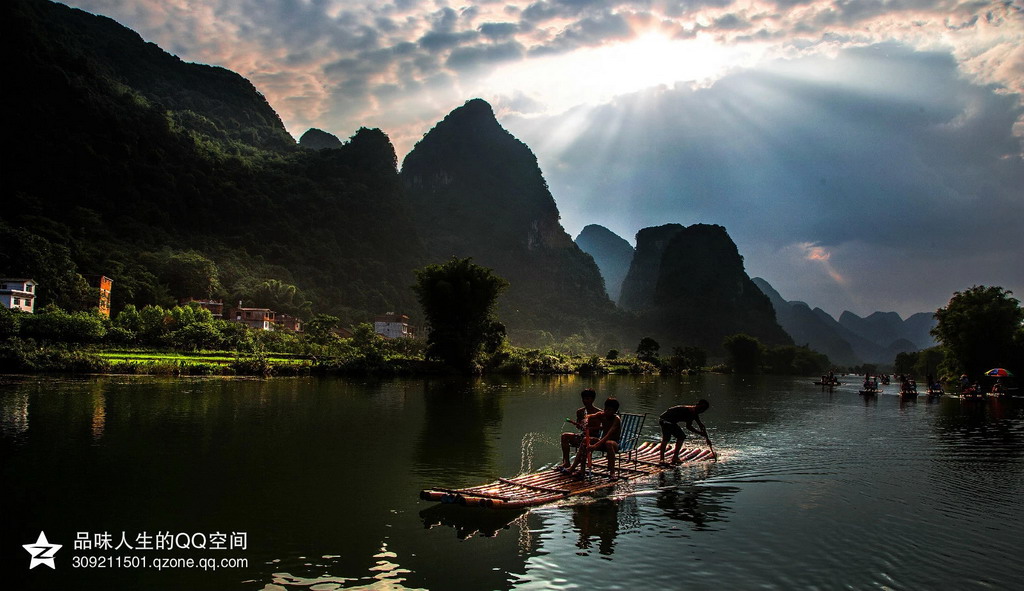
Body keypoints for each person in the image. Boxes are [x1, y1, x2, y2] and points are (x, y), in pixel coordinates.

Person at [567, 397, 622, 479]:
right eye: (606, 409)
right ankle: (578, 469)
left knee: (609, 443)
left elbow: (608, 435)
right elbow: (589, 417)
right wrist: (583, 421)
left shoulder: (616, 419)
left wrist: (595, 446)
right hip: (602, 442)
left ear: (615, 411)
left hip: (614, 443)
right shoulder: (602, 414)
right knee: (585, 440)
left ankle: (612, 472)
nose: (607, 412)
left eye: (610, 410)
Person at [557, 388, 600, 470]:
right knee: (564, 436)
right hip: (583, 436)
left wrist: (590, 428)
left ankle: (577, 468)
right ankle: (566, 462)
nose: (585, 401)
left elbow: (602, 428)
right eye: (583, 399)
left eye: (587, 399)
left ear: (593, 399)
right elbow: (579, 426)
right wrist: (579, 425)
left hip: (594, 438)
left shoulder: (599, 413)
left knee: (584, 440)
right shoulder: (580, 412)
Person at [658, 399, 710, 465]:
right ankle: (665, 459)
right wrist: (700, 433)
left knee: (677, 437)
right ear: (697, 405)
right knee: (676, 437)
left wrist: (706, 438)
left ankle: (673, 458)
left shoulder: (694, 413)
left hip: (668, 421)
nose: (701, 410)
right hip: (666, 420)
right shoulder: (689, 411)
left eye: (703, 409)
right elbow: (689, 427)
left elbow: (700, 425)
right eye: (701, 408)